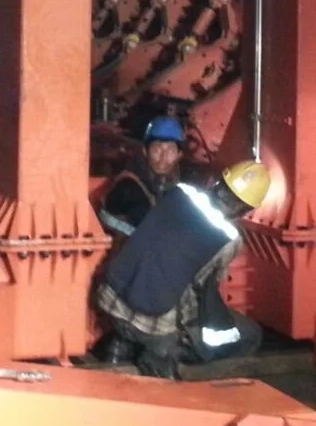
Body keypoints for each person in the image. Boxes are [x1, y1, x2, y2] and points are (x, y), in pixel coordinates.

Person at [92, 160, 271, 379]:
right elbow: (200, 286)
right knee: (248, 334)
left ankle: (121, 343)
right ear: (248, 209)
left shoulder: (180, 192)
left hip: (108, 300)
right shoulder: (228, 239)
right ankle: (163, 359)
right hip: (152, 328)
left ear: (218, 181)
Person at [97, 115, 186, 236]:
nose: (163, 158)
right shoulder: (129, 187)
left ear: (179, 154)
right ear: (145, 151)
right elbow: (154, 234)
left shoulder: (173, 187)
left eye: (170, 151)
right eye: (157, 150)